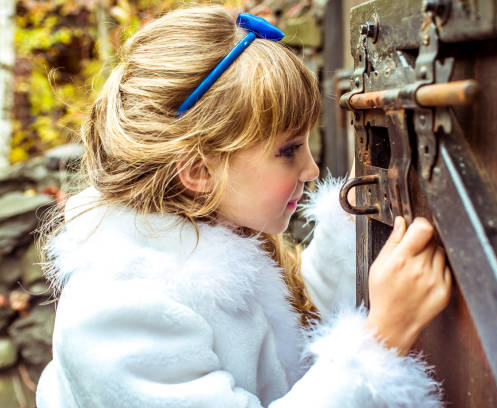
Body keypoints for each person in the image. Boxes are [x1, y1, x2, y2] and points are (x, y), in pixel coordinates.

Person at [36, 6, 452, 408]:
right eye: (288, 150)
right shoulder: (119, 316)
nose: (312, 168)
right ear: (199, 171)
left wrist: (350, 237)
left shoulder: (207, 239)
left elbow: (281, 343)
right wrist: (381, 338)